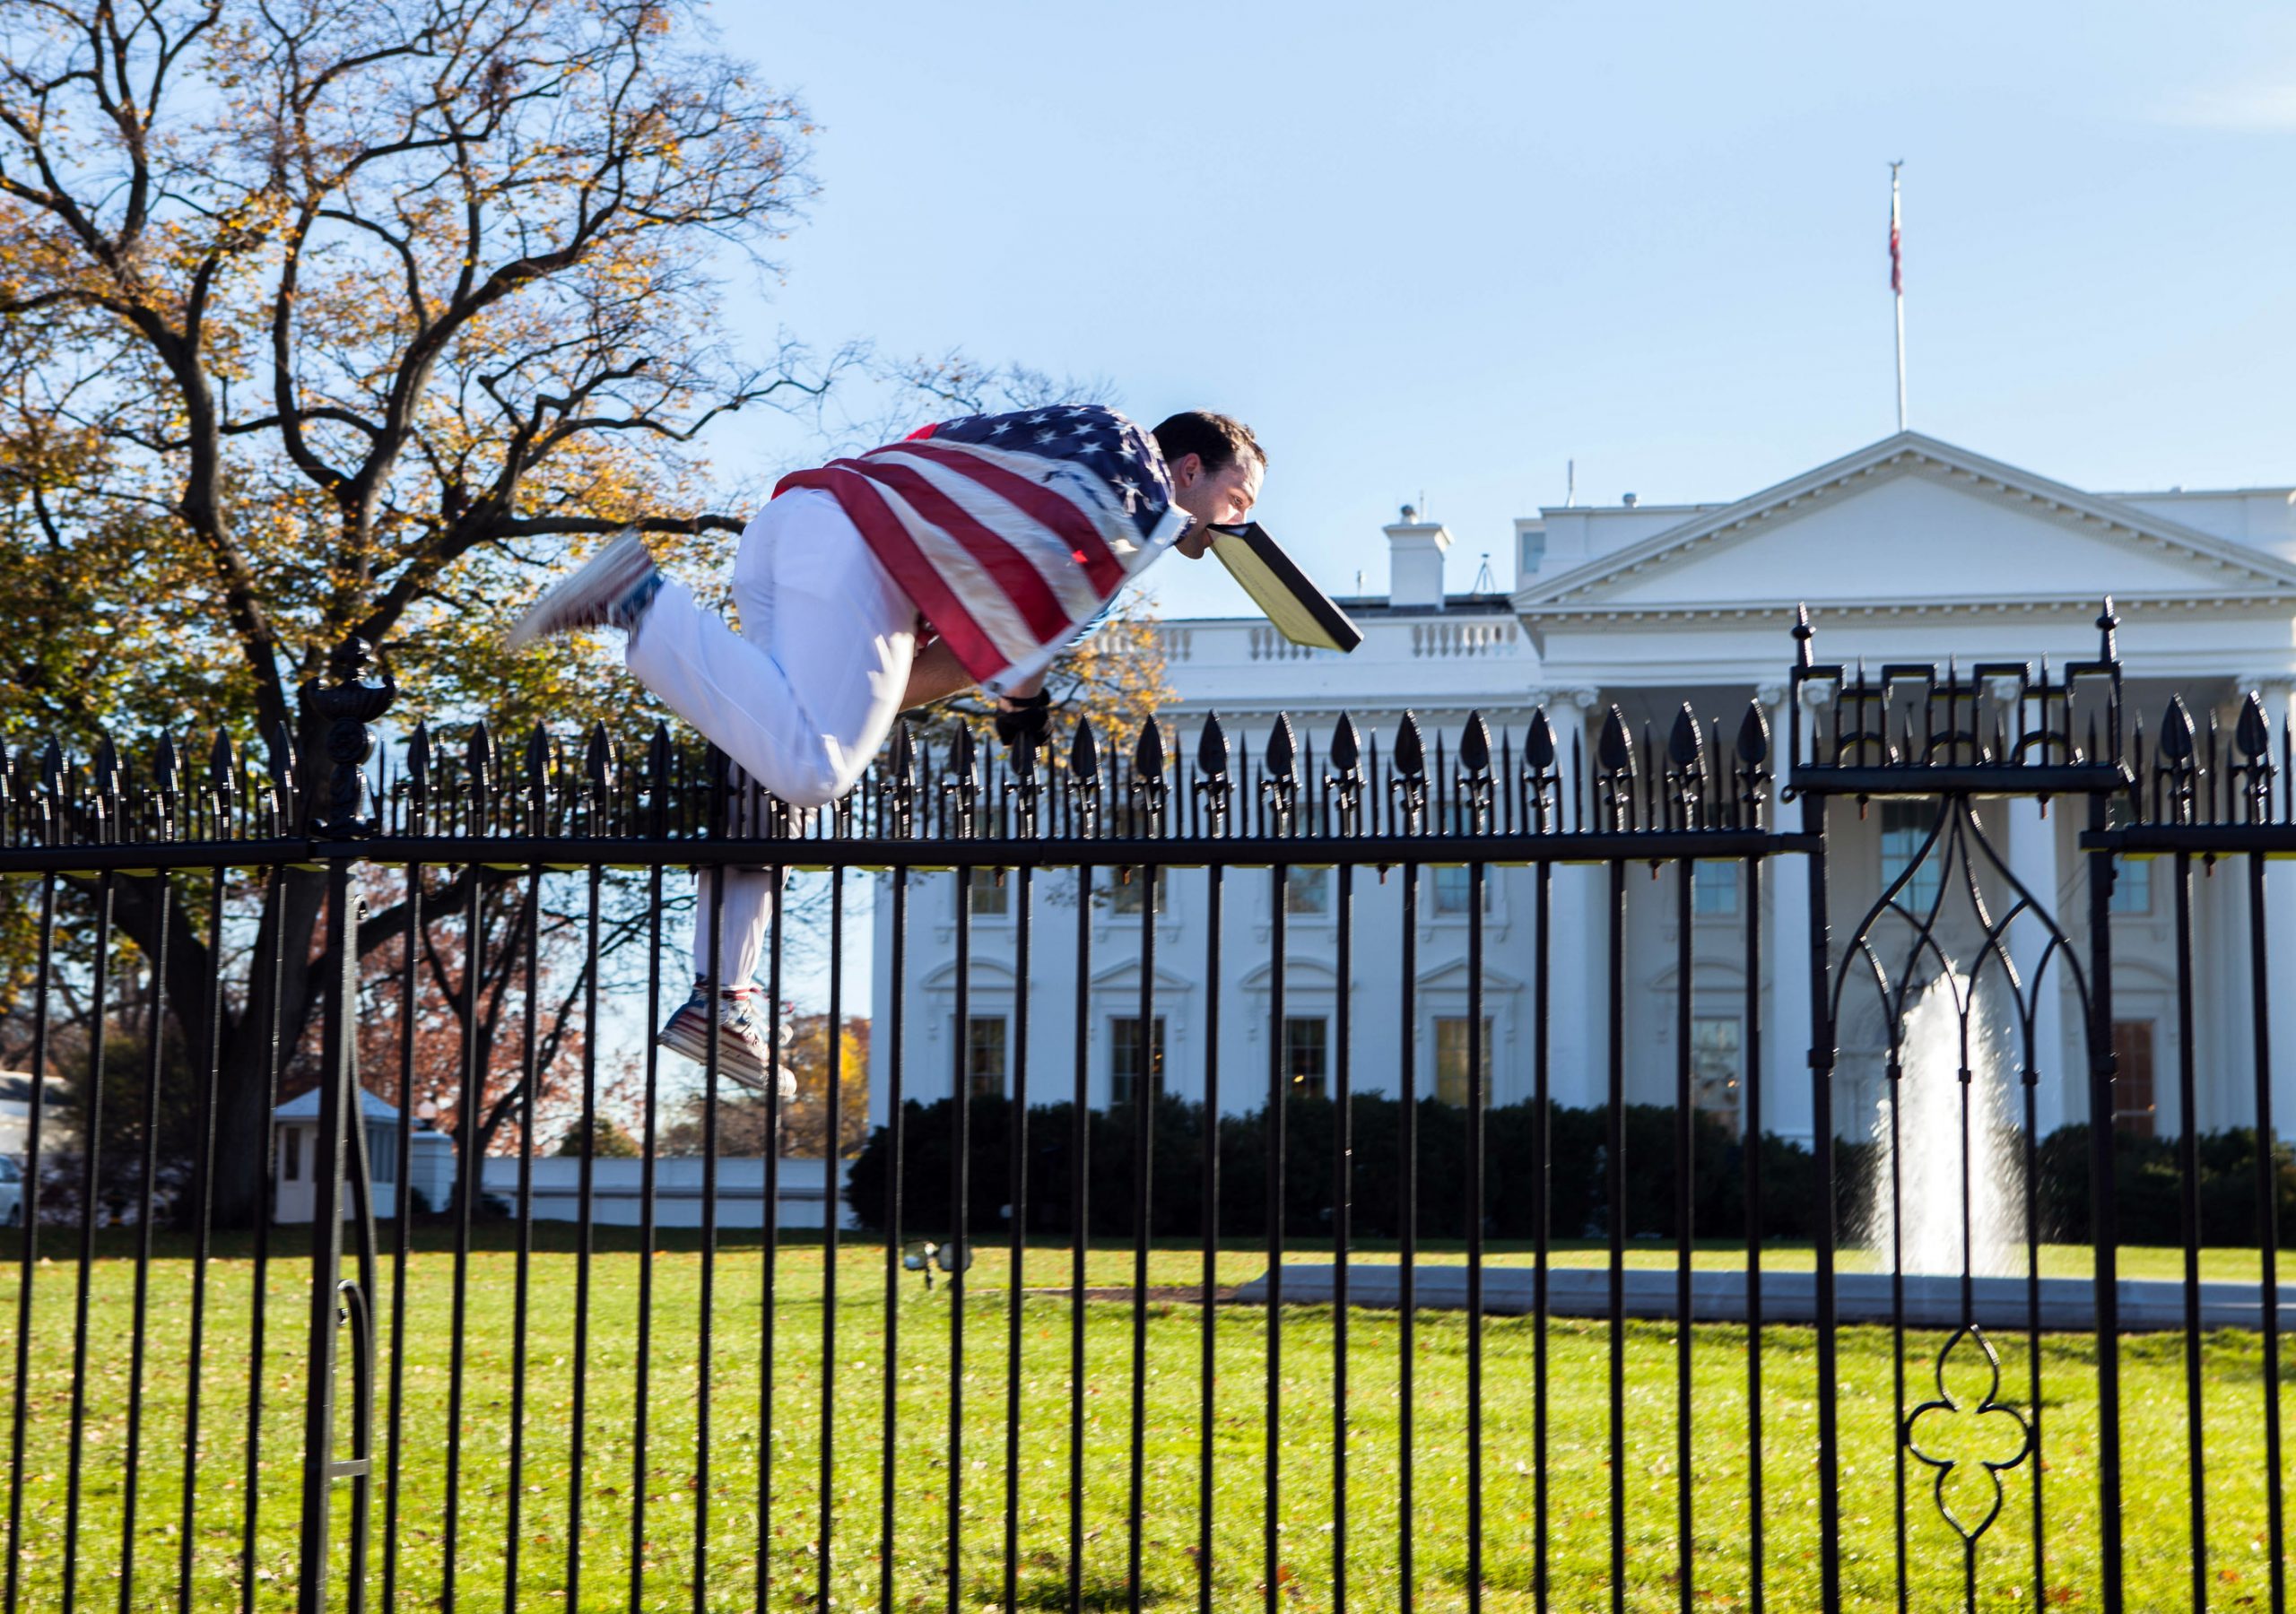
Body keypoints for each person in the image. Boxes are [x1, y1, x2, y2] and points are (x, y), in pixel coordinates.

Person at [506, 405, 1265, 1090]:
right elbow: (1018, 640)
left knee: (775, 762)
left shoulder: (1061, 450)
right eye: (1238, 502)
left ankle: (723, 997)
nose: (1236, 526)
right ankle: (640, 596)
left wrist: (877, 697)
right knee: (814, 770)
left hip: (797, 520)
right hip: (857, 548)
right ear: (1190, 470)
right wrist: (1023, 704)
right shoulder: (1134, 488)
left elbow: (941, 662)